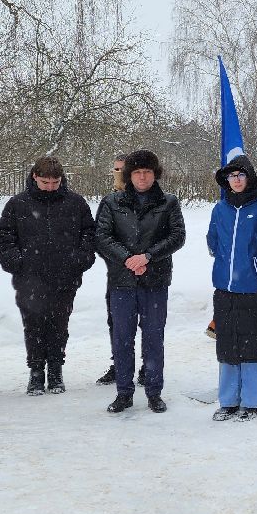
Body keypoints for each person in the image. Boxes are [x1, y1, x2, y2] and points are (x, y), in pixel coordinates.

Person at [0, 156, 96, 396]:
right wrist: (16, 262)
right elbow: (5, 236)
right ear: (34, 177)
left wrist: (79, 260)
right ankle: (36, 371)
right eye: (45, 182)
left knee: (59, 324)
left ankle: (56, 370)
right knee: (33, 325)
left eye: (55, 182)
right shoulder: (17, 204)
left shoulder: (76, 203)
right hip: (29, 277)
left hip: (65, 276)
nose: (50, 187)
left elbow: (89, 234)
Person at [95, 149, 184, 414]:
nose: (142, 177)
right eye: (137, 172)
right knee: (122, 338)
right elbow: (102, 236)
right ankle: (124, 393)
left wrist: (147, 256)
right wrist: (127, 258)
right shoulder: (112, 202)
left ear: (154, 174)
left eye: (147, 172)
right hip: (122, 282)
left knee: (154, 338)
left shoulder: (168, 203)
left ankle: (154, 392)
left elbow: (177, 236)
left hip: (155, 281)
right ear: (129, 175)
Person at [206, 155, 257, 422]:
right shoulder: (220, 209)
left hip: (255, 290)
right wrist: (223, 265)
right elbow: (212, 242)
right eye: (232, 176)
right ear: (226, 181)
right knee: (228, 344)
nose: (236, 180)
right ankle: (228, 400)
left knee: (254, 344)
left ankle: (253, 400)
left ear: (249, 177)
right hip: (225, 289)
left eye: (241, 175)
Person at [95, 155, 126, 386]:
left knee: (147, 324)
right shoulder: (109, 201)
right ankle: (120, 363)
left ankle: (147, 365)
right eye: (115, 169)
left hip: (148, 272)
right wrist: (120, 258)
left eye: (122, 170)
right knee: (116, 322)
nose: (118, 174)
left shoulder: (155, 200)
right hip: (117, 272)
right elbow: (101, 237)